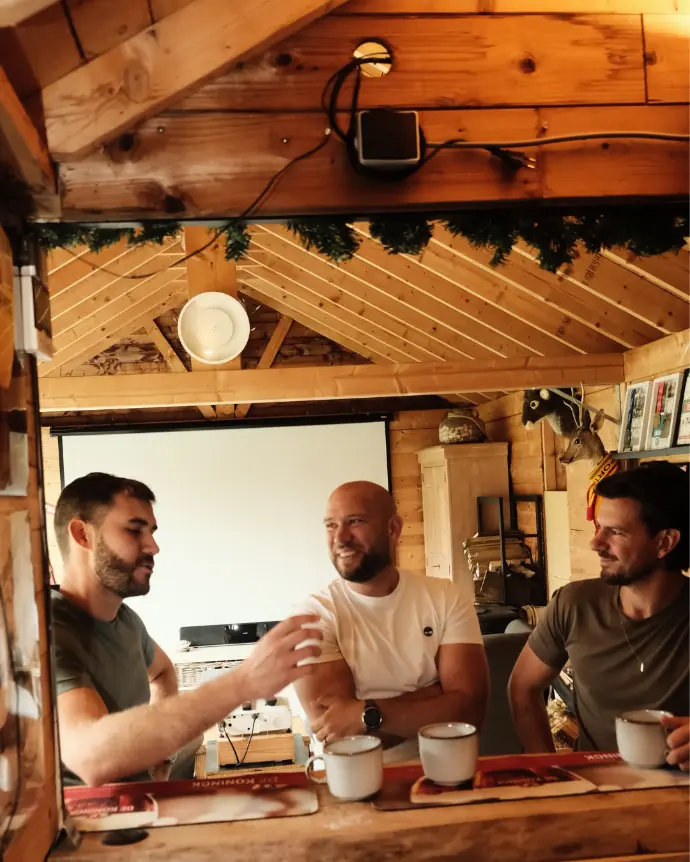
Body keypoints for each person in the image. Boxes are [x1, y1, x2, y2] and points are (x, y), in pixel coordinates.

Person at [52, 472, 321, 786]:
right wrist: (242, 683)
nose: (153, 546)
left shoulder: (126, 621)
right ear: (83, 535)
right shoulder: (47, 632)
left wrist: (162, 758)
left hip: (139, 811)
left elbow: (163, 672)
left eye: (151, 532)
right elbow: (91, 757)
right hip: (82, 826)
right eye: (134, 530)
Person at [508, 462, 689, 770]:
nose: (596, 543)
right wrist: (549, 770)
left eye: (616, 532)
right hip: (595, 790)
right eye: (598, 528)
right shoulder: (573, 604)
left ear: (664, 543)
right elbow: (522, 687)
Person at [293, 481, 489, 761]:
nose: (341, 538)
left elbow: (469, 712)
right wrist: (437, 697)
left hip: (448, 776)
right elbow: (342, 738)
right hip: (352, 786)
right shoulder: (312, 618)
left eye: (355, 521)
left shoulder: (446, 597)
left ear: (393, 528)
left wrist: (367, 714)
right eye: (331, 525)